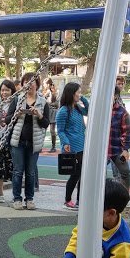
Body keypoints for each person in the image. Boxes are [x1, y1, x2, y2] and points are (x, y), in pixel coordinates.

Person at [6, 72, 49, 210]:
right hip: (18, 142)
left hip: (34, 143)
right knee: (18, 171)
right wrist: (17, 114)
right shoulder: (17, 100)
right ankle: (17, 199)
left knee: (30, 172)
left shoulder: (43, 102)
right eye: (26, 82)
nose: (29, 84)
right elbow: (7, 120)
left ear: (37, 84)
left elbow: (46, 123)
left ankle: (29, 199)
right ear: (23, 84)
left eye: (32, 82)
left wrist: (39, 115)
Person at [56, 82, 89, 210]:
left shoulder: (77, 107)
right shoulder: (63, 111)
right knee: (75, 174)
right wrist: (66, 143)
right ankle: (67, 200)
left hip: (81, 145)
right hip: (72, 147)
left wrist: (83, 98)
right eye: (78, 92)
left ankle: (80, 200)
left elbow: (89, 110)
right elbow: (60, 130)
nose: (79, 94)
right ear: (71, 93)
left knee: (82, 174)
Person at [107, 85, 130, 207]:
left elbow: (127, 132)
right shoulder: (99, 110)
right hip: (101, 150)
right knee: (98, 174)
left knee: (125, 173)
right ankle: (100, 198)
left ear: (115, 96)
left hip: (116, 148)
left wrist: (126, 149)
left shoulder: (122, 112)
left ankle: (125, 198)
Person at [45, 78, 59, 152]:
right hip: (46, 112)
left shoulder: (55, 92)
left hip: (53, 113)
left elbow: (56, 104)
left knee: (52, 131)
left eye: (45, 84)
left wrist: (49, 101)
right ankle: (40, 146)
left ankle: (53, 147)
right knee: (43, 130)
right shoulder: (45, 92)